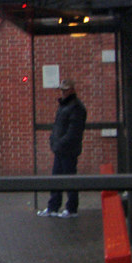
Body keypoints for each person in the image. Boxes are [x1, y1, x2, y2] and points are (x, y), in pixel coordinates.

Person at [38, 78, 87, 218]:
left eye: (65, 90)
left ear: (72, 89)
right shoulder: (65, 106)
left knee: (69, 178)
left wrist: (58, 143)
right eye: (62, 90)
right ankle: (53, 207)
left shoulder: (76, 107)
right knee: (57, 178)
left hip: (68, 150)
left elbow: (73, 132)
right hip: (61, 149)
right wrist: (54, 141)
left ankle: (71, 209)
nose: (63, 92)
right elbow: (59, 128)